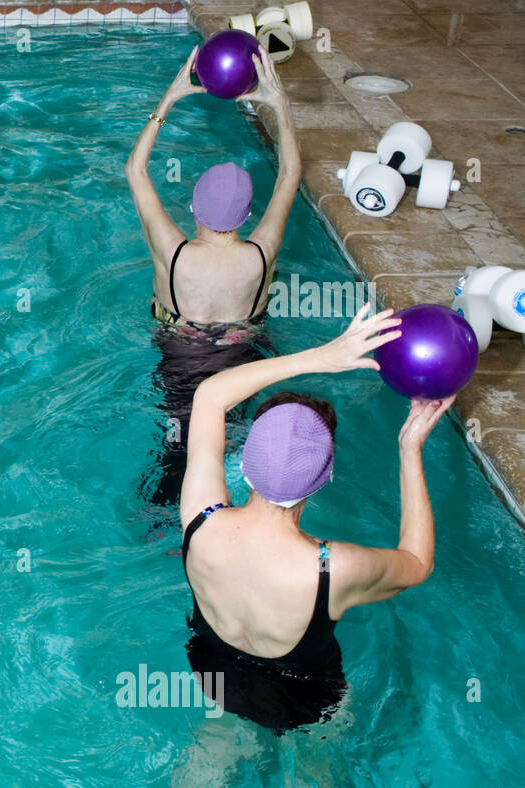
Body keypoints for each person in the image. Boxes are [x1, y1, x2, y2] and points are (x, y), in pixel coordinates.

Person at [179, 304, 453, 733]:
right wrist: (410, 449)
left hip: (215, 672)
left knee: (203, 770)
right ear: (323, 479)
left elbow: (210, 397)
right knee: (315, 787)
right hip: (305, 697)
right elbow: (417, 564)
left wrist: (324, 355)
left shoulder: (200, 519)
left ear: (244, 466)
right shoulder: (333, 568)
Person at [126, 45, 302, 510]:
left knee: (179, 445)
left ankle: (169, 522)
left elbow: (135, 170)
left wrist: (171, 96)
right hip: (242, 353)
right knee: (227, 433)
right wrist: (279, 106)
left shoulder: (174, 252)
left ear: (193, 208)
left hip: (180, 356)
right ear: (246, 215)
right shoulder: (260, 254)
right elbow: (289, 176)